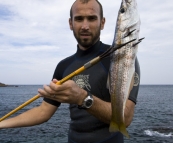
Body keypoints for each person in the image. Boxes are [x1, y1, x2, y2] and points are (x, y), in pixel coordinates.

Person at [0, 0, 140, 142]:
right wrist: (1, 124)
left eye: (92, 18)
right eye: (79, 19)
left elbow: (125, 117)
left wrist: (82, 98)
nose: (85, 26)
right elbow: (43, 112)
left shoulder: (123, 57)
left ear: (102, 23)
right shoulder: (63, 66)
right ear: (70, 23)